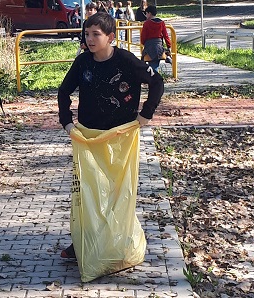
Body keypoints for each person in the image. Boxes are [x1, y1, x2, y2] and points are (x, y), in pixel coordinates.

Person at [57, 12, 164, 258]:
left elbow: (157, 83)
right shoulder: (83, 62)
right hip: (89, 138)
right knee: (89, 192)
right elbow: (63, 91)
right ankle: (83, 241)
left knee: (118, 192)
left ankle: (118, 242)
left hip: (121, 137)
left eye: (96, 34)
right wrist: (67, 123)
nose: (90, 39)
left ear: (111, 37)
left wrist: (145, 114)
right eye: (87, 34)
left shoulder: (126, 61)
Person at [140, 5, 172, 72]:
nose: (146, 15)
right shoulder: (161, 23)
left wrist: (143, 43)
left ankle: (153, 79)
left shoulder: (146, 24)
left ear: (149, 13)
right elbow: (165, 35)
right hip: (159, 46)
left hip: (149, 46)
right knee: (155, 64)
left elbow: (143, 37)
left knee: (148, 63)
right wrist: (169, 46)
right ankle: (167, 56)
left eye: (146, 13)